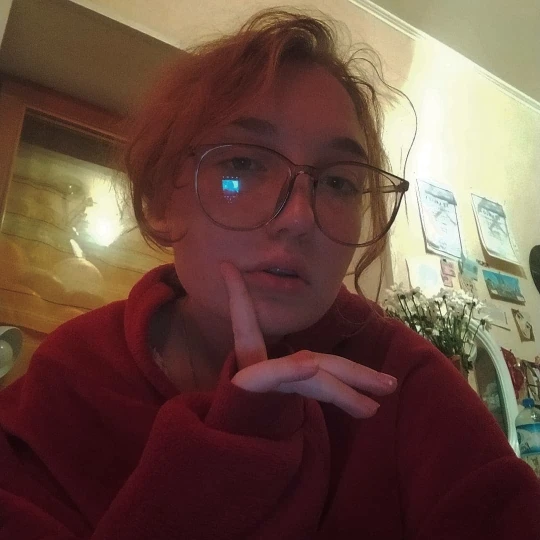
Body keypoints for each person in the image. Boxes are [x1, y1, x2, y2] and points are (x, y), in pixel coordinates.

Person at [0, 8, 539, 540]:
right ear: (159, 201)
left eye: (338, 182)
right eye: (243, 164)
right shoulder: (69, 382)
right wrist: (229, 463)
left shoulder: (401, 381)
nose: (299, 217)